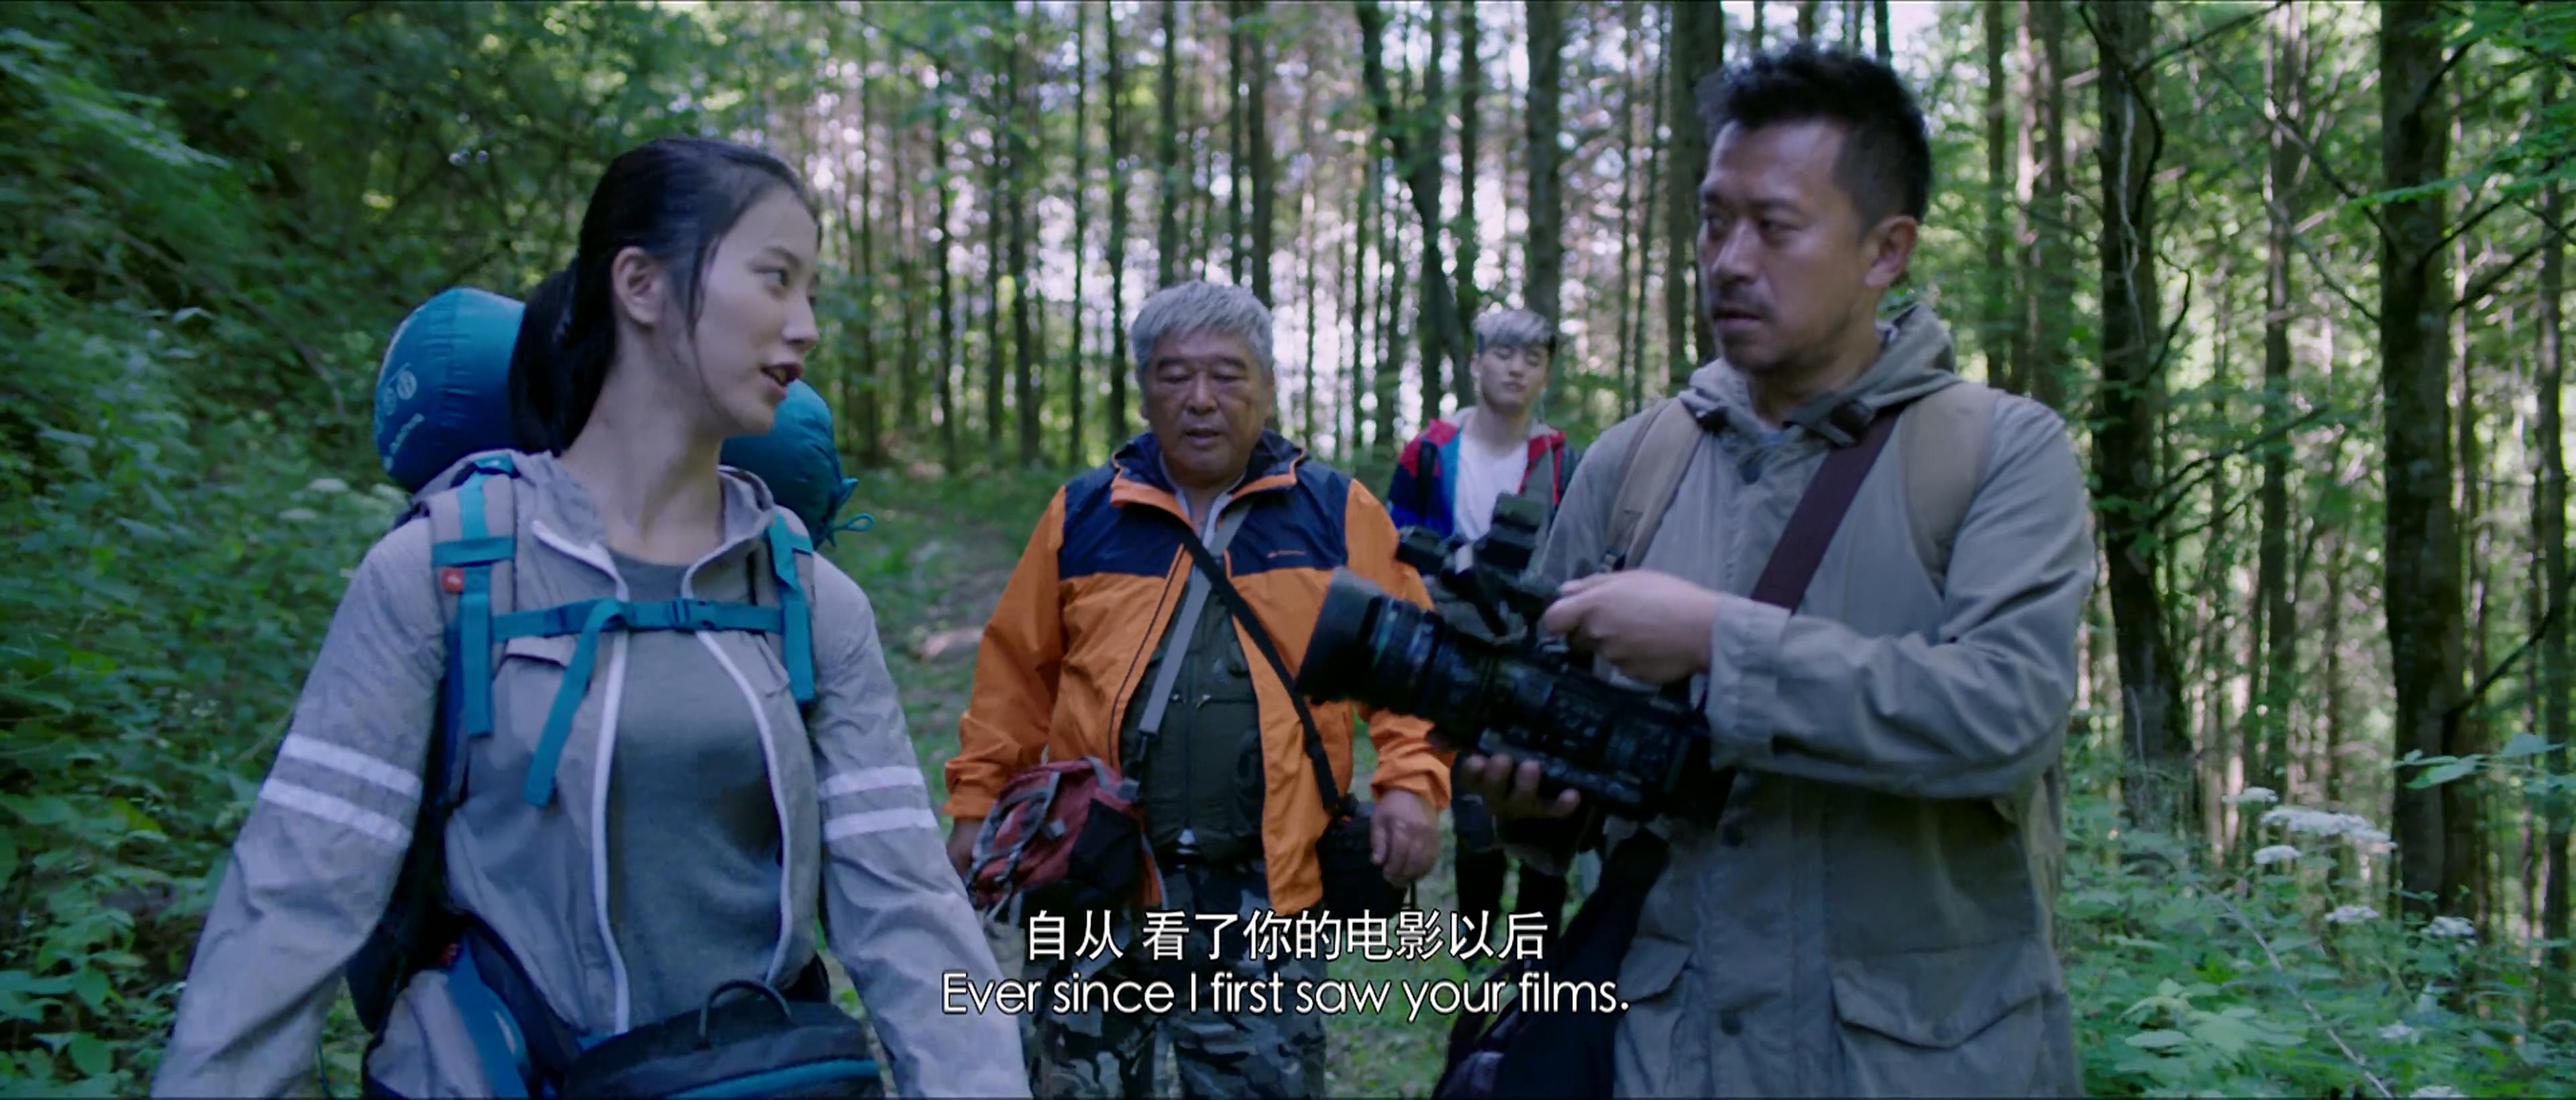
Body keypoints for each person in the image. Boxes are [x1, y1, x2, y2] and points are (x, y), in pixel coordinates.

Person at [150, 136, 1026, 1098]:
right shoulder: (447, 570)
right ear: (641, 285)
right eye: (776, 279)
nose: (807, 326)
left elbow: (911, 907)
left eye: (810, 290)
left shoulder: (810, 600)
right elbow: (294, 891)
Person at [1458, 46, 2092, 1097]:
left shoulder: (2000, 453)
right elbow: (1553, 745)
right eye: (1715, 222)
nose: (1729, 260)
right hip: (1663, 1054)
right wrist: (1534, 808)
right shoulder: (1632, 465)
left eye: (1775, 226)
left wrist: (1716, 640)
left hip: (1914, 1065)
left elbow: (2006, 713)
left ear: (1886, 251)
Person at [942, 280, 1451, 1098]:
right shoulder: (1084, 513)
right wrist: (976, 806)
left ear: (1267, 386)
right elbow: (1014, 676)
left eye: (1227, 374)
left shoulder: (1335, 512)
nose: (1202, 399)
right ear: (1144, 391)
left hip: (1263, 888)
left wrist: (1413, 786)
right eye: (1175, 375)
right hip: (1093, 881)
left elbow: (1413, 668)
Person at [1384, 307, 1579, 940]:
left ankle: (1536, 955)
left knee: (1544, 795)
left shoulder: (1563, 461)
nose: (1516, 369)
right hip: (1456, 648)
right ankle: (1472, 949)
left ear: (1545, 373)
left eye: (1532, 359)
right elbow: (1394, 543)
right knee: (1473, 799)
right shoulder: (1431, 452)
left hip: (1540, 654)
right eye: (1503, 354)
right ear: (1476, 364)